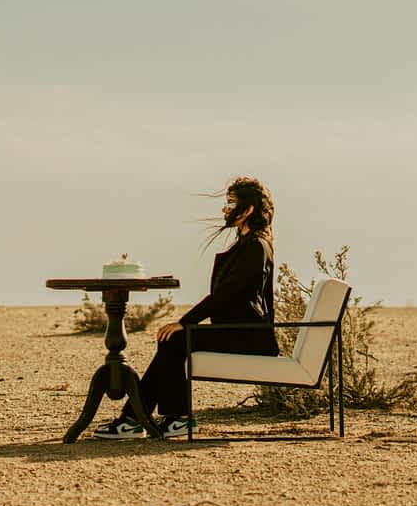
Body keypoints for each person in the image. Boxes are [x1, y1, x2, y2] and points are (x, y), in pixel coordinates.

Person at [94, 176, 279, 439]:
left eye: (231, 202)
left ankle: (168, 418)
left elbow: (226, 295)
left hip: (249, 337)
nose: (225, 209)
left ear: (248, 209)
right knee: (172, 339)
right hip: (238, 331)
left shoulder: (256, 247)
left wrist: (185, 322)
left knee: (176, 338)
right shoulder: (247, 244)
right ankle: (135, 418)